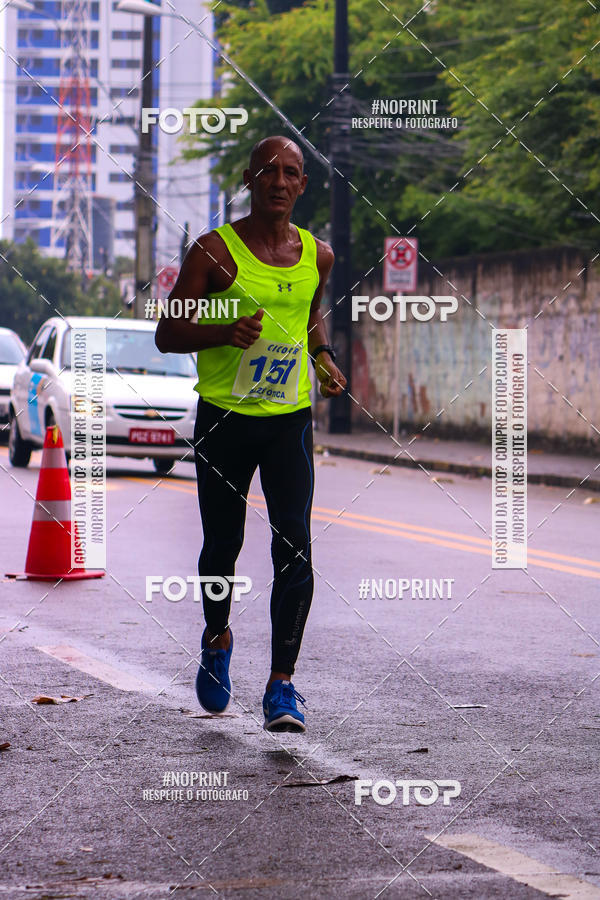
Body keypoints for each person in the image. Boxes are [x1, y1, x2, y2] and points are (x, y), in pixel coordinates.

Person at [155, 135, 346, 732]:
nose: (280, 182)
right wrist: (220, 331)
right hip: (225, 421)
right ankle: (217, 639)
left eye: (291, 173)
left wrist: (322, 356)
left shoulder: (319, 255)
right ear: (250, 179)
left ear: (302, 185)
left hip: (288, 421)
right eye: (269, 171)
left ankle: (282, 686)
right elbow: (168, 332)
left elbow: (309, 314)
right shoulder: (216, 253)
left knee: (294, 546)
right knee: (222, 545)